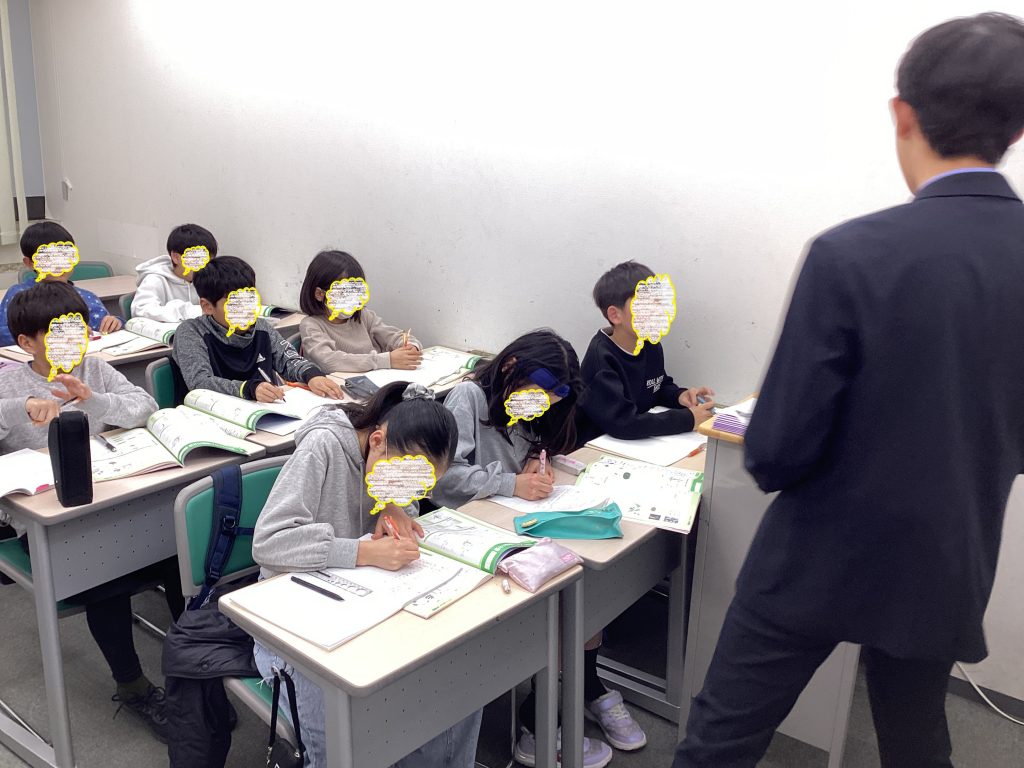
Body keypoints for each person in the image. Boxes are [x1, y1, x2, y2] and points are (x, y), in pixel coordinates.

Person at [674, 13, 1024, 767]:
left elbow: (776, 451)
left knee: (721, 741)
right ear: (1016, 130)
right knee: (915, 739)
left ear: (903, 114)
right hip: (946, 559)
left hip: (815, 558)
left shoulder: (851, 254)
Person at [430, 330, 636, 768]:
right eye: (539, 395)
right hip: (465, 536)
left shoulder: (525, 404)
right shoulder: (468, 398)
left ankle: (582, 689)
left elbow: (528, 448)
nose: (542, 405)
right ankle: (537, 724)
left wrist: (537, 460)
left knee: (588, 588)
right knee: (560, 601)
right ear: (511, 367)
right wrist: (512, 482)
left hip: (511, 524)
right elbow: (442, 480)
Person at [251, 381, 481, 768]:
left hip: (362, 609)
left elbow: (402, 498)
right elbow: (269, 541)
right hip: (292, 627)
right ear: (376, 440)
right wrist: (361, 551)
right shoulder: (324, 446)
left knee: (454, 677)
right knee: (342, 730)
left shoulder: (386, 459)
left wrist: (395, 505)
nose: (411, 492)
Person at [0, 282, 183, 741]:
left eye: (79, 329)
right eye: (59, 333)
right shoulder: (9, 382)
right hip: (48, 521)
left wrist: (94, 400)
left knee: (180, 555)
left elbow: (145, 405)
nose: (75, 339)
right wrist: (23, 408)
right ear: (26, 342)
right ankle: (133, 686)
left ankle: (192, 667)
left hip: (113, 496)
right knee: (105, 578)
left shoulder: (94, 368)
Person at [577, 260, 715, 444]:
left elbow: (657, 387)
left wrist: (679, 396)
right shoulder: (601, 359)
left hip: (639, 444)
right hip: (598, 447)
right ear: (615, 315)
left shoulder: (649, 344)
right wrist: (688, 419)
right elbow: (622, 423)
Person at [171, 255, 343, 401]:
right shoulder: (192, 332)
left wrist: (311, 375)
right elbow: (200, 383)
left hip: (265, 414)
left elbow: (288, 359)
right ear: (207, 306)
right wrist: (248, 389)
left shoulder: (260, 327)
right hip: (211, 416)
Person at [298, 249, 422, 372]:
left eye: (356, 291)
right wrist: (386, 360)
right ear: (320, 294)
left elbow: (393, 336)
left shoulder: (364, 315)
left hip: (376, 378)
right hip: (341, 383)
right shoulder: (311, 325)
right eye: (343, 293)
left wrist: (411, 347)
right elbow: (329, 361)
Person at [0, 221, 122, 347]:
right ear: (30, 263)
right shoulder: (19, 296)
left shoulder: (85, 296)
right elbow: (3, 335)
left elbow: (103, 325)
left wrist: (115, 322)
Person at [131, 223, 219, 321]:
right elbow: (140, 310)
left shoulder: (209, 278)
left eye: (209, 261)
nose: (205, 267)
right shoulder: (155, 279)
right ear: (176, 257)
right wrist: (191, 311)